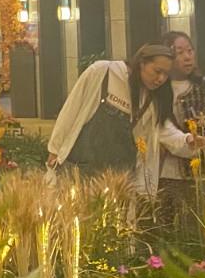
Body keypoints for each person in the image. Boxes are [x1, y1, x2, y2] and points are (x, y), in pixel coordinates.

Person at [46, 43, 195, 195]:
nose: (161, 79)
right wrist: (54, 150)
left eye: (166, 74)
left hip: (119, 182)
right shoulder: (103, 72)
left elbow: (163, 130)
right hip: (81, 171)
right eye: (157, 71)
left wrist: (187, 140)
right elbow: (71, 110)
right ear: (142, 63)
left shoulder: (151, 100)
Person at [156, 30, 205, 242]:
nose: (187, 57)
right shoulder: (157, 88)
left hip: (196, 174)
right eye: (180, 52)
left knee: (196, 232)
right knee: (165, 233)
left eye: (190, 51)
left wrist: (204, 143)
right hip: (164, 175)